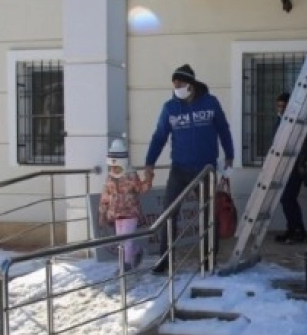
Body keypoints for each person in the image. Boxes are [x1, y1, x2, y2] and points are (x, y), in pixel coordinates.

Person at [143, 64, 235, 274]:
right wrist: (150, 163)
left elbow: (223, 129)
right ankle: (164, 259)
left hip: (205, 170)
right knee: (169, 213)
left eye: (180, 83)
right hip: (179, 169)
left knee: (208, 215)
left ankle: (208, 257)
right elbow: (159, 137)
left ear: (191, 84)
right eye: (174, 83)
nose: (176, 87)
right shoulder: (170, 108)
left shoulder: (210, 103)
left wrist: (230, 155)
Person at [98, 138, 148, 272]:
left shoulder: (131, 174)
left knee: (127, 240)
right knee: (121, 241)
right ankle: (136, 251)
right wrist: (102, 213)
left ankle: (124, 266)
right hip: (115, 213)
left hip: (130, 212)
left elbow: (140, 189)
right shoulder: (109, 177)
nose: (114, 166)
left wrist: (147, 181)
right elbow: (105, 196)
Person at [272, 92, 307, 244]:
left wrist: (301, 164)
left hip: (295, 167)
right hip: (282, 166)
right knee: (288, 200)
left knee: (288, 199)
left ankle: (296, 230)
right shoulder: (279, 120)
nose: (281, 109)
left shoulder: (298, 121)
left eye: (284, 106)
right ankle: (296, 230)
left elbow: (305, 143)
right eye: (279, 106)